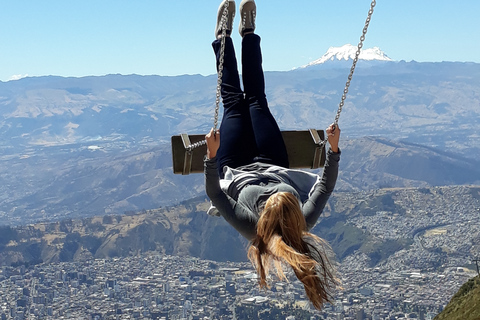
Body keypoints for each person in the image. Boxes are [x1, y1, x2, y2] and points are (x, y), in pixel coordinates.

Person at [204, 0, 340, 310]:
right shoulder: (302, 220)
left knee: (234, 103)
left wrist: (211, 157)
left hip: (236, 166)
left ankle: (222, 38)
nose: (269, 194)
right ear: (293, 211)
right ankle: (249, 32)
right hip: (273, 161)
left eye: (267, 201)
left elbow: (215, 193)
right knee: (257, 101)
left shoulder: (251, 226)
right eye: (283, 196)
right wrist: (334, 149)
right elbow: (325, 187)